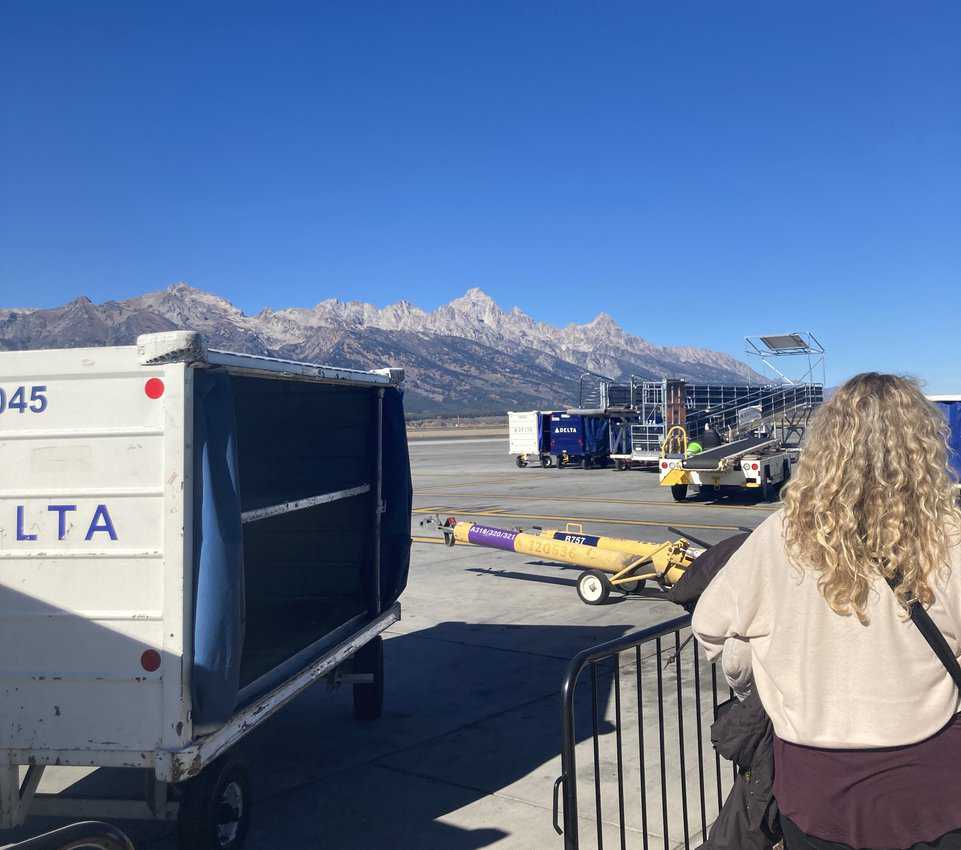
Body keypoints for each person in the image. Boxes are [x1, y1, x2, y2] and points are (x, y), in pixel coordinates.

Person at [692, 373, 961, 850]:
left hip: (815, 787)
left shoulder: (783, 537)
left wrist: (763, 678)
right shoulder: (949, 536)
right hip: (932, 785)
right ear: (921, 445)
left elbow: (712, 630)